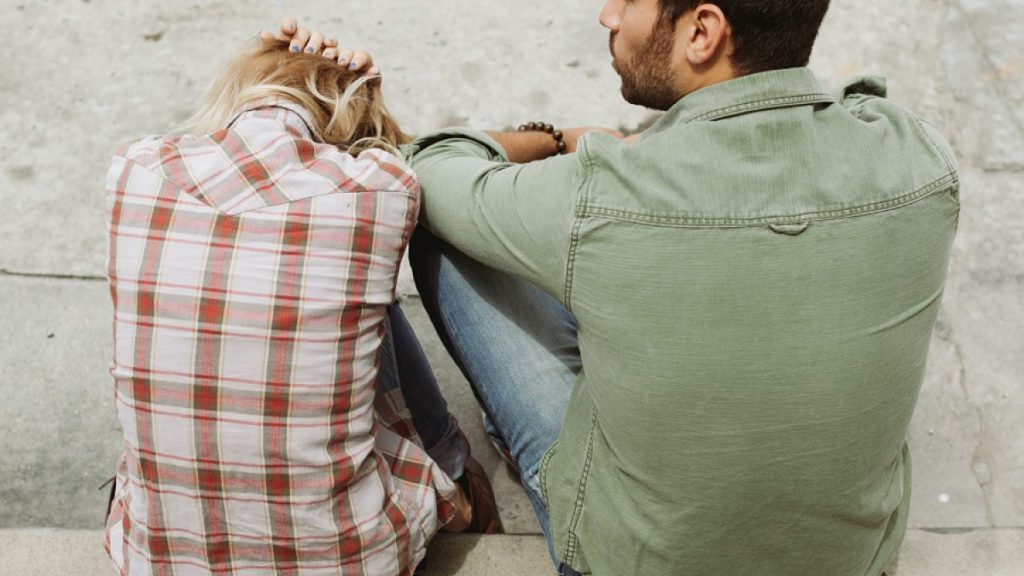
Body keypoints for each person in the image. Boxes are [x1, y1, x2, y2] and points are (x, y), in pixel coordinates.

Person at [282, 1, 961, 573]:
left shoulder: (604, 191)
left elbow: (426, 166)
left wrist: (557, 140)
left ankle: (473, 467)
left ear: (702, 31)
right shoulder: (918, 157)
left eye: (630, 1)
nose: (608, 15)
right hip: (852, 563)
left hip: (624, 561)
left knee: (452, 233)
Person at [103, 37, 501, 576]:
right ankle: (458, 480)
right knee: (356, 295)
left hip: (158, 559)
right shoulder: (378, 190)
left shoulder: (136, 170)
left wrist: (268, 60)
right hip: (352, 561)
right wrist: (362, 92)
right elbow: (403, 161)